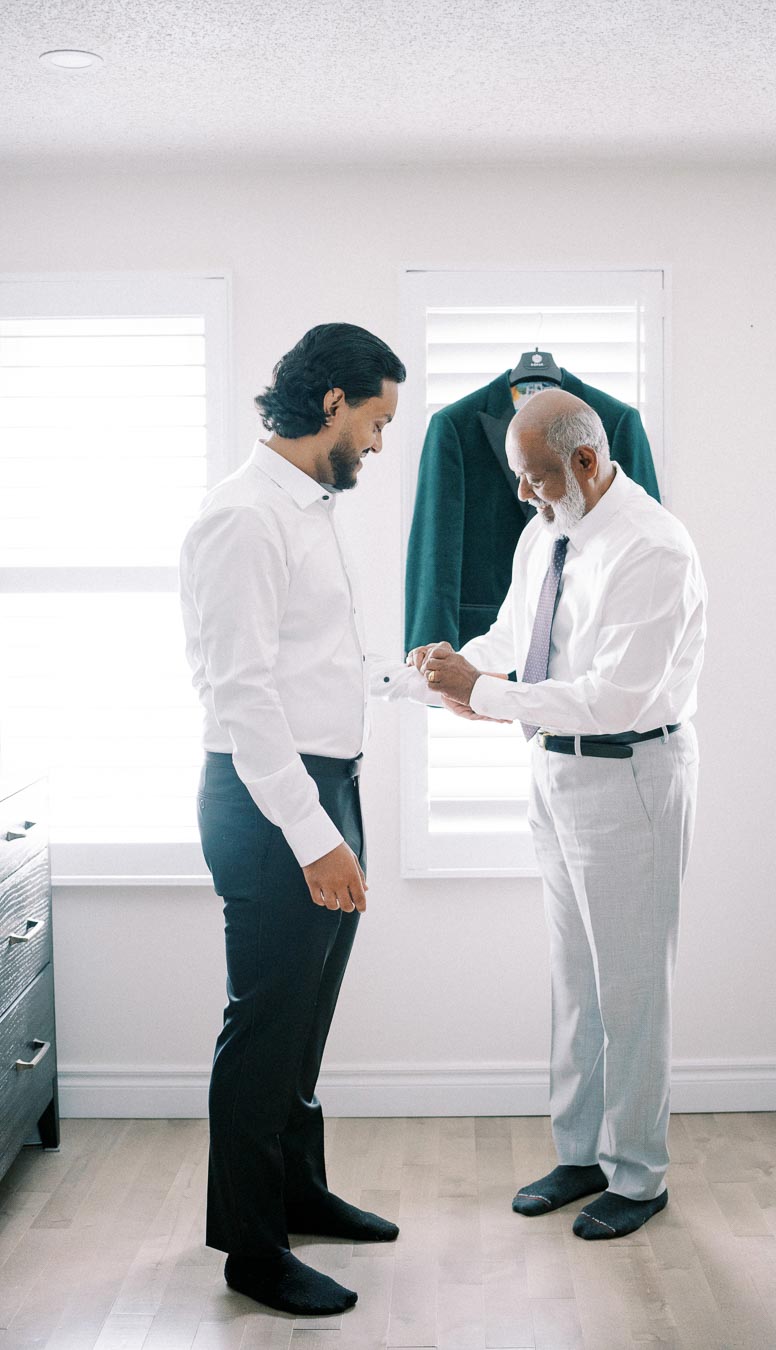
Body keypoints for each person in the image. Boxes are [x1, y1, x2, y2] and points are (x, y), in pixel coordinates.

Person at [409, 387, 706, 1241]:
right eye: (518, 479)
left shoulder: (655, 550)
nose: (523, 496)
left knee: (633, 990)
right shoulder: (548, 533)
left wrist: (489, 696)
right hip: (553, 772)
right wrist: (455, 664)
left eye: (535, 478)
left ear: (584, 461)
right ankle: (580, 1154)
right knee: (575, 983)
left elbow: (616, 697)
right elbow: (512, 636)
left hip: (632, 776)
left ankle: (640, 1176)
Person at [179, 323, 421, 1317]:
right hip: (275, 802)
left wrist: (407, 679)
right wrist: (316, 836)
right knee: (265, 1027)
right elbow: (240, 695)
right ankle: (251, 1247)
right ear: (332, 403)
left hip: (328, 786)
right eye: (374, 421)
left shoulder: (308, 508)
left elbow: (307, 664)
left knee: (304, 1029)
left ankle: (298, 1192)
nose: (377, 442)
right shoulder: (243, 516)